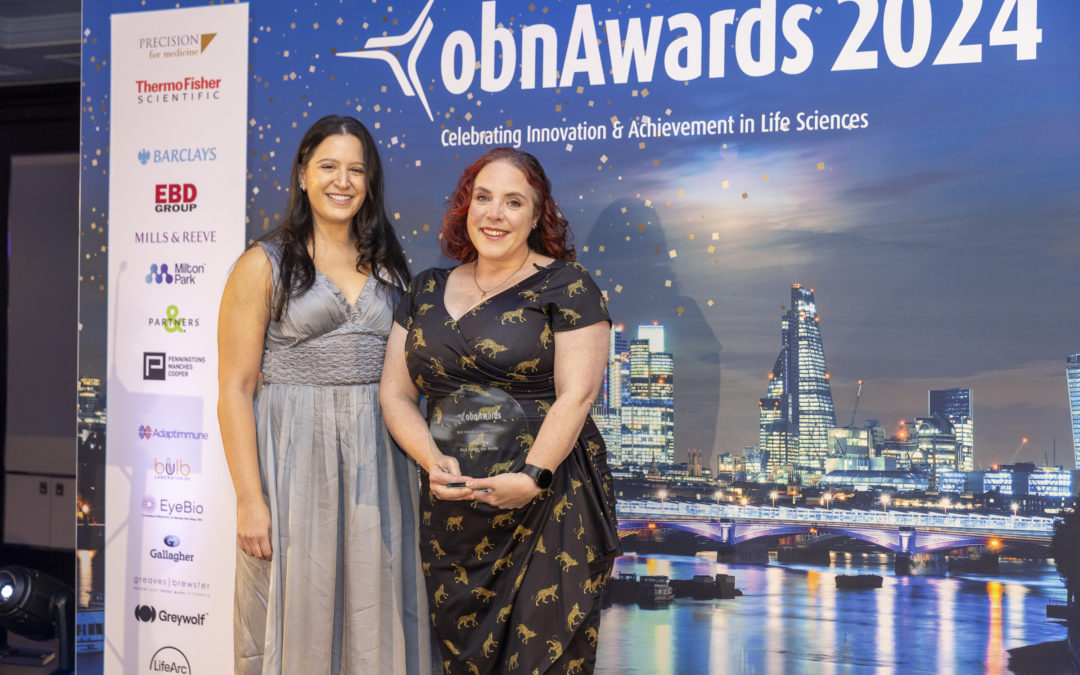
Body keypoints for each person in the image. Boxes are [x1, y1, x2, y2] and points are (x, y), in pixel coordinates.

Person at [380, 147, 620, 674]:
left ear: (537, 216)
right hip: (453, 512)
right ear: (465, 206)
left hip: (547, 505)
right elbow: (395, 394)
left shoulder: (569, 286)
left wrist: (533, 477)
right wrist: (430, 461)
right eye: (483, 197)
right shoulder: (425, 289)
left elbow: (576, 395)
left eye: (514, 202)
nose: (494, 213)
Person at [218, 115, 429, 675]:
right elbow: (235, 391)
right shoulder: (260, 265)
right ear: (303, 175)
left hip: (381, 464)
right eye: (329, 166)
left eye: (356, 169)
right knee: (298, 610)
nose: (343, 181)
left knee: (378, 608)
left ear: (371, 182)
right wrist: (248, 499)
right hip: (294, 462)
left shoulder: (393, 269)